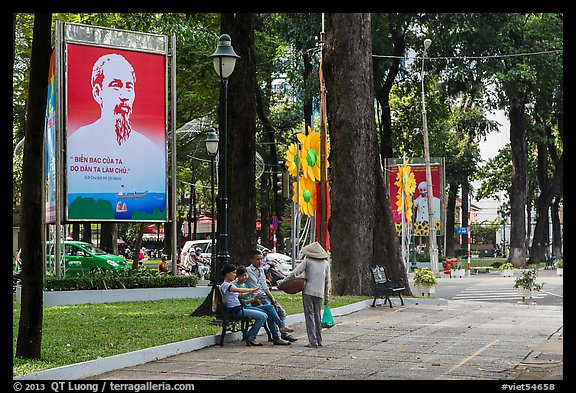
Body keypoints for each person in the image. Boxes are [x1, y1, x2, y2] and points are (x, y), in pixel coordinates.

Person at [66, 52, 165, 217]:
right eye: (116, 85)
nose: (124, 95)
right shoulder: (77, 142)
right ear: (98, 92)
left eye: (129, 87)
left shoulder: (150, 150)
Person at [278, 242, 331, 348]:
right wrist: (327, 296)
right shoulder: (325, 264)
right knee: (317, 316)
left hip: (308, 292)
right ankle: (319, 340)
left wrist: (283, 281)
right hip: (319, 293)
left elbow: (295, 272)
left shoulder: (308, 261)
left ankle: (312, 342)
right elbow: (327, 281)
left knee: (309, 317)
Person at [246, 250, 298, 342]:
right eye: (257, 259)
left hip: (265, 295)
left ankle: (283, 333)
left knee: (281, 311)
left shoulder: (262, 270)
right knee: (270, 314)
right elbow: (255, 288)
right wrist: (258, 299)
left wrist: (272, 298)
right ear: (252, 260)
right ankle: (276, 337)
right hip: (257, 298)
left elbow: (265, 287)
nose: (259, 261)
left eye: (261, 259)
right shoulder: (248, 271)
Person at [235, 265, 292, 345]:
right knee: (267, 313)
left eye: (245, 275)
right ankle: (276, 334)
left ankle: (280, 329)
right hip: (244, 308)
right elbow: (243, 301)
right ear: (237, 276)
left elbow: (263, 287)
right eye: (241, 276)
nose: (244, 278)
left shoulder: (247, 285)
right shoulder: (236, 287)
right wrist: (255, 298)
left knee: (270, 308)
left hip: (250, 307)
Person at [219, 263, 269, 347]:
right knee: (262, 316)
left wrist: (254, 295)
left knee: (264, 314)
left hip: (240, 308)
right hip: (236, 311)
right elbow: (239, 290)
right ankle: (251, 336)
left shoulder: (230, 284)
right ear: (227, 273)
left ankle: (249, 335)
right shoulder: (226, 285)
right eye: (233, 273)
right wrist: (251, 290)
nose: (235, 275)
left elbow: (241, 295)